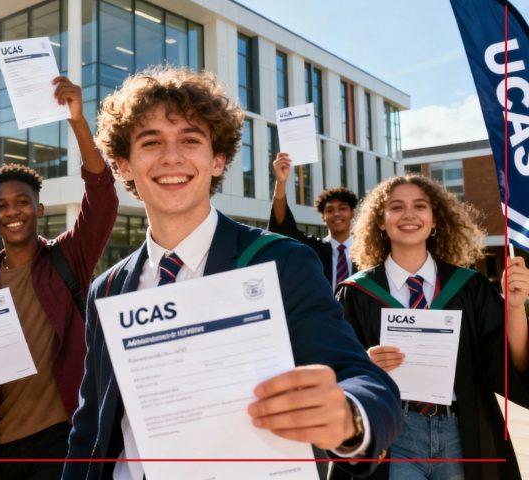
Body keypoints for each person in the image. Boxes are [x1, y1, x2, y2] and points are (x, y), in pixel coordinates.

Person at [63, 66, 402, 480]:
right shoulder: (108, 289)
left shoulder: (279, 262)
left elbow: (363, 380)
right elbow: (90, 426)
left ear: (218, 159)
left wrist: (349, 415)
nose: (172, 156)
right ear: (124, 165)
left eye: (190, 140)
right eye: (151, 142)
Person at [0, 76, 118, 479]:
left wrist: (77, 123)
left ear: (39, 207)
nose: (13, 211)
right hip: (2, 448)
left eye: (22, 201)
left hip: (66, 434)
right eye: (2, 206)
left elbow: (103, 198)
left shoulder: (67, 257)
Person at [336, 174, 529, 480]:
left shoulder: (470, 287)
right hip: (392, 431)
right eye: (396, 207)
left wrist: (515, 307)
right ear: (381, 223)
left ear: (434, 219)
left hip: (461, 432)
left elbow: (506, 365)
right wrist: (366, 364)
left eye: (420, 206)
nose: (409, 215)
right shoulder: (356, 293)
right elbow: (336, 367)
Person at [268, 152, 358, 291]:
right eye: (329, 210)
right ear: (323, 216)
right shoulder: (313, 249)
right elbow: (282, 227)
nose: (336, 214)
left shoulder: (367, 251)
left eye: (342, 208)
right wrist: (281, 182)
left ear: (352, 213)